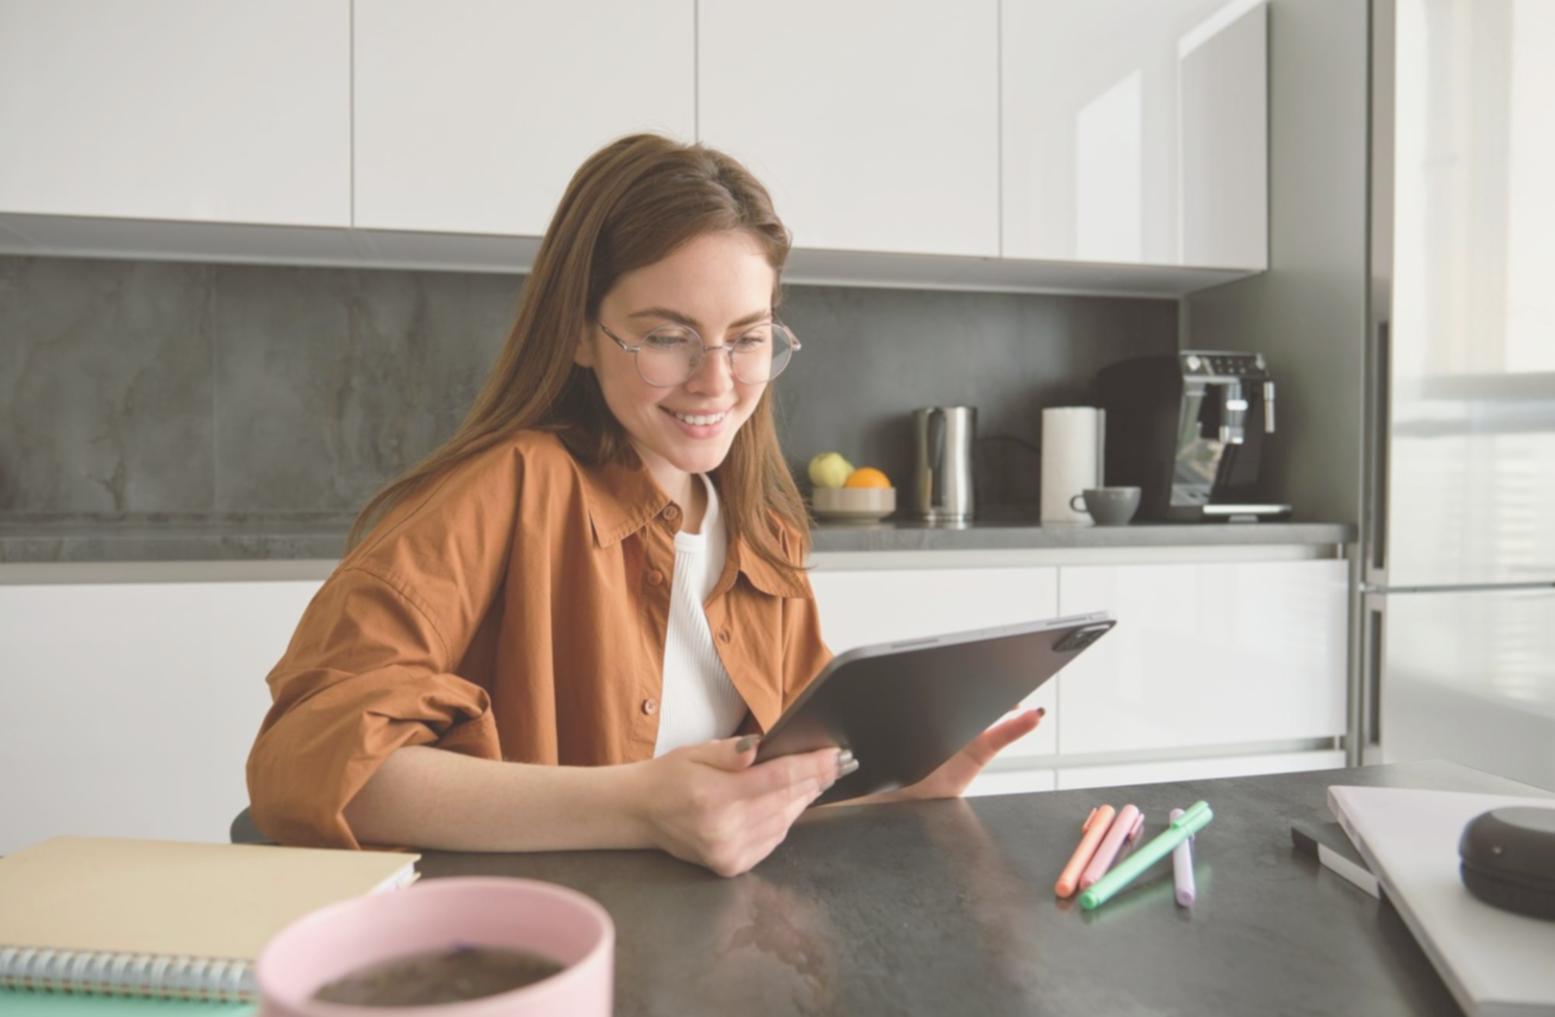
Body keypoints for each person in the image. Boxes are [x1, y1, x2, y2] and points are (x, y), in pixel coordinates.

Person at [246, 133, 1043, 877]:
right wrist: (636, 804)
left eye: (747, 337)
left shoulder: (763, 533)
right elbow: (304, 766)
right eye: (666, 337)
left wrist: (890, 789)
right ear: (580, 334)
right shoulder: (503, 491)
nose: (715, 381)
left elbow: (761, 797)